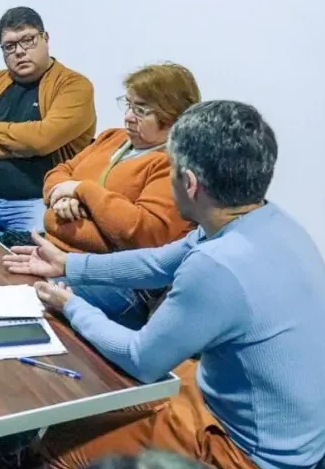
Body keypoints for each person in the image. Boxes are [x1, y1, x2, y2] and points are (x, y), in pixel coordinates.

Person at [3, 101, 325, 469]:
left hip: (248, 453)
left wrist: (71, 306)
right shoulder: (266, 218)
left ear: (190, 184)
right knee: (96, 405)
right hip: (248, 409)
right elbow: (158, 263)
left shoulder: (217, 265)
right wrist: (69, 265)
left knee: (59, 451)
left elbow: (141, 359)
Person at [36, 62, 201, 329]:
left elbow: (141, 232)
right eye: (128, 105)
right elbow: (59, 172)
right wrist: (63, 196)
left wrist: (82, 190)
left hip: (116, 281)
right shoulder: (112, 137)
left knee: (31, 299)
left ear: (174, 115)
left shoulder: (172, 164)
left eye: (141, 110)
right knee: (0, 269)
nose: (128, 117)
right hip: (57, 252)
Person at [0, 6, 96, 233]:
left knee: (41, 247)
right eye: (10, 46)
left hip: (36, 200)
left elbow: (42, 140)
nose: (20, 52)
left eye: (28, 40)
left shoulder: (74, 86)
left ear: (45, 38)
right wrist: (23, 148)